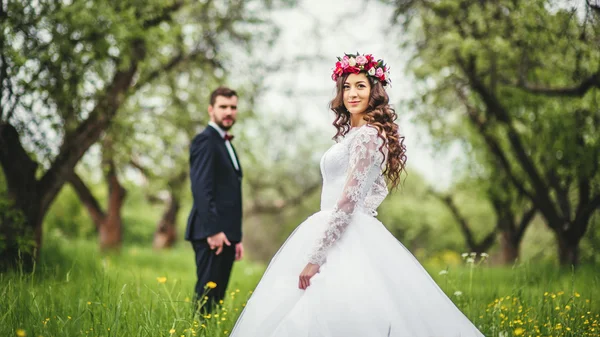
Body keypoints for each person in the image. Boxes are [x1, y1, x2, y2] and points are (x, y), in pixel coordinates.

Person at [229, 53, 485, 336]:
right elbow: (375, 187)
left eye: (361, 86)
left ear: (374, 92)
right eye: (347, 86)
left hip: (345, 229)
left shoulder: (367, 136)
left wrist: (316, 257)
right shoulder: (354, 135)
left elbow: (349, 199)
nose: (352, 93)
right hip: (335, 223)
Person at [185, 86, 244, 313]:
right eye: (223, 107)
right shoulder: (206, 141)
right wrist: (214, 231)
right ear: (211, 110)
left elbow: (229, 194)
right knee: (205, 301)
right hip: (211, 234)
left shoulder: (225, 142)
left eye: (233, 107)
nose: (229, 112)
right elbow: (201, 190)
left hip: (226, 235)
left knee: (215, 302)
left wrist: (235, 237)